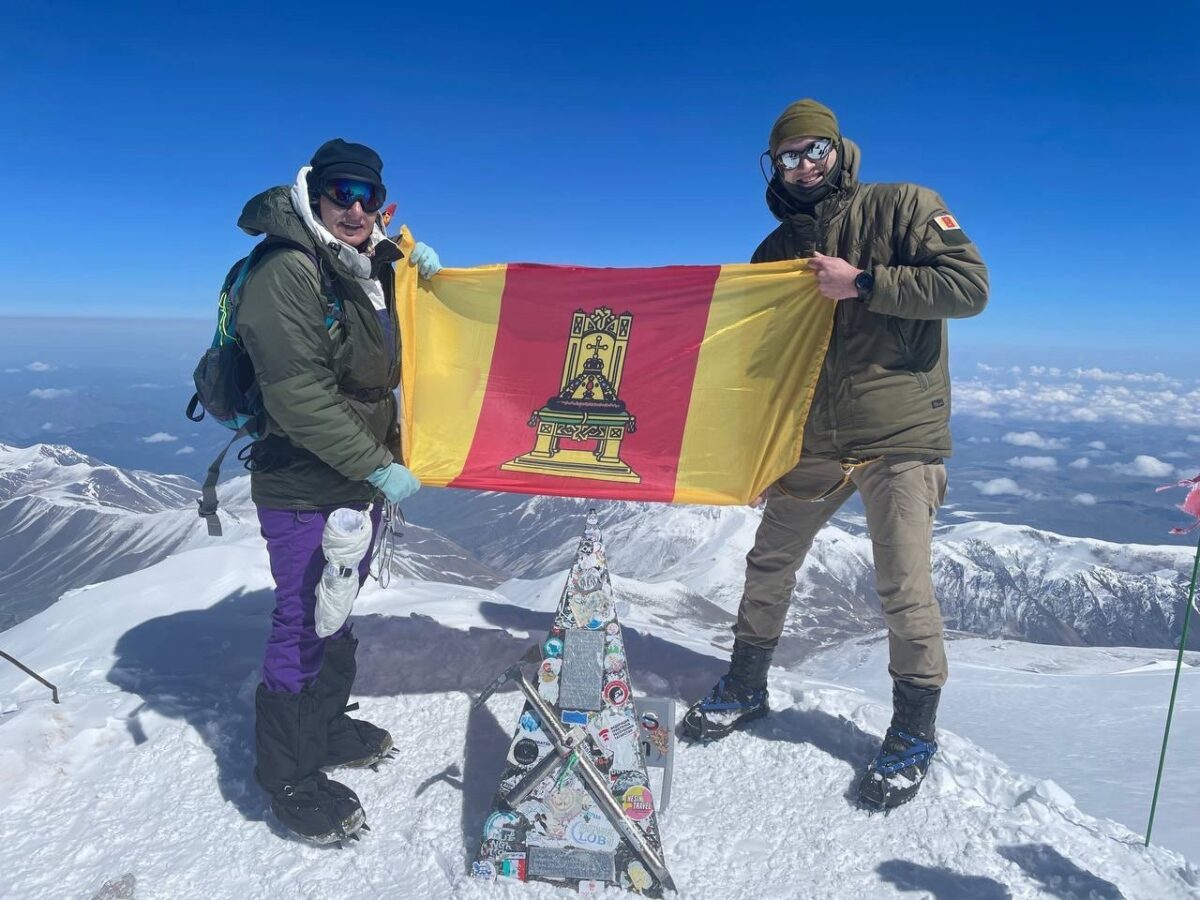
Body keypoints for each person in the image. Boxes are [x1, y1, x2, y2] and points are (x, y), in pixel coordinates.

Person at [682, 100, 988, 810]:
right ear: (775, 166)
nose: (803, 165)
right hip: (813, 439)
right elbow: (757, 362)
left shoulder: (903, 207)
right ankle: (746, 684)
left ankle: (913, 731)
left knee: (902, 584)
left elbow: (969, 287)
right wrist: (754, 450)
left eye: (813, 149)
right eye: (788, 156)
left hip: (898, 436)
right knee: (768, 560)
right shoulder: (772, 250)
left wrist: (866, 284)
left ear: (839, 149)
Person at [235, 138, 441, 843]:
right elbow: (296, 397)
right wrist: (379, 465)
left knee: (335, 603)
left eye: (366, 195)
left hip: (355, 477)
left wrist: (426, 284)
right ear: (315, 194)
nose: (354, 208)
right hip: (301, 480)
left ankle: (320, 729)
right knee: (300, 617)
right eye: (340, 192)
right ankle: (287, 776)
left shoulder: (368, 263)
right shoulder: (288, 269)